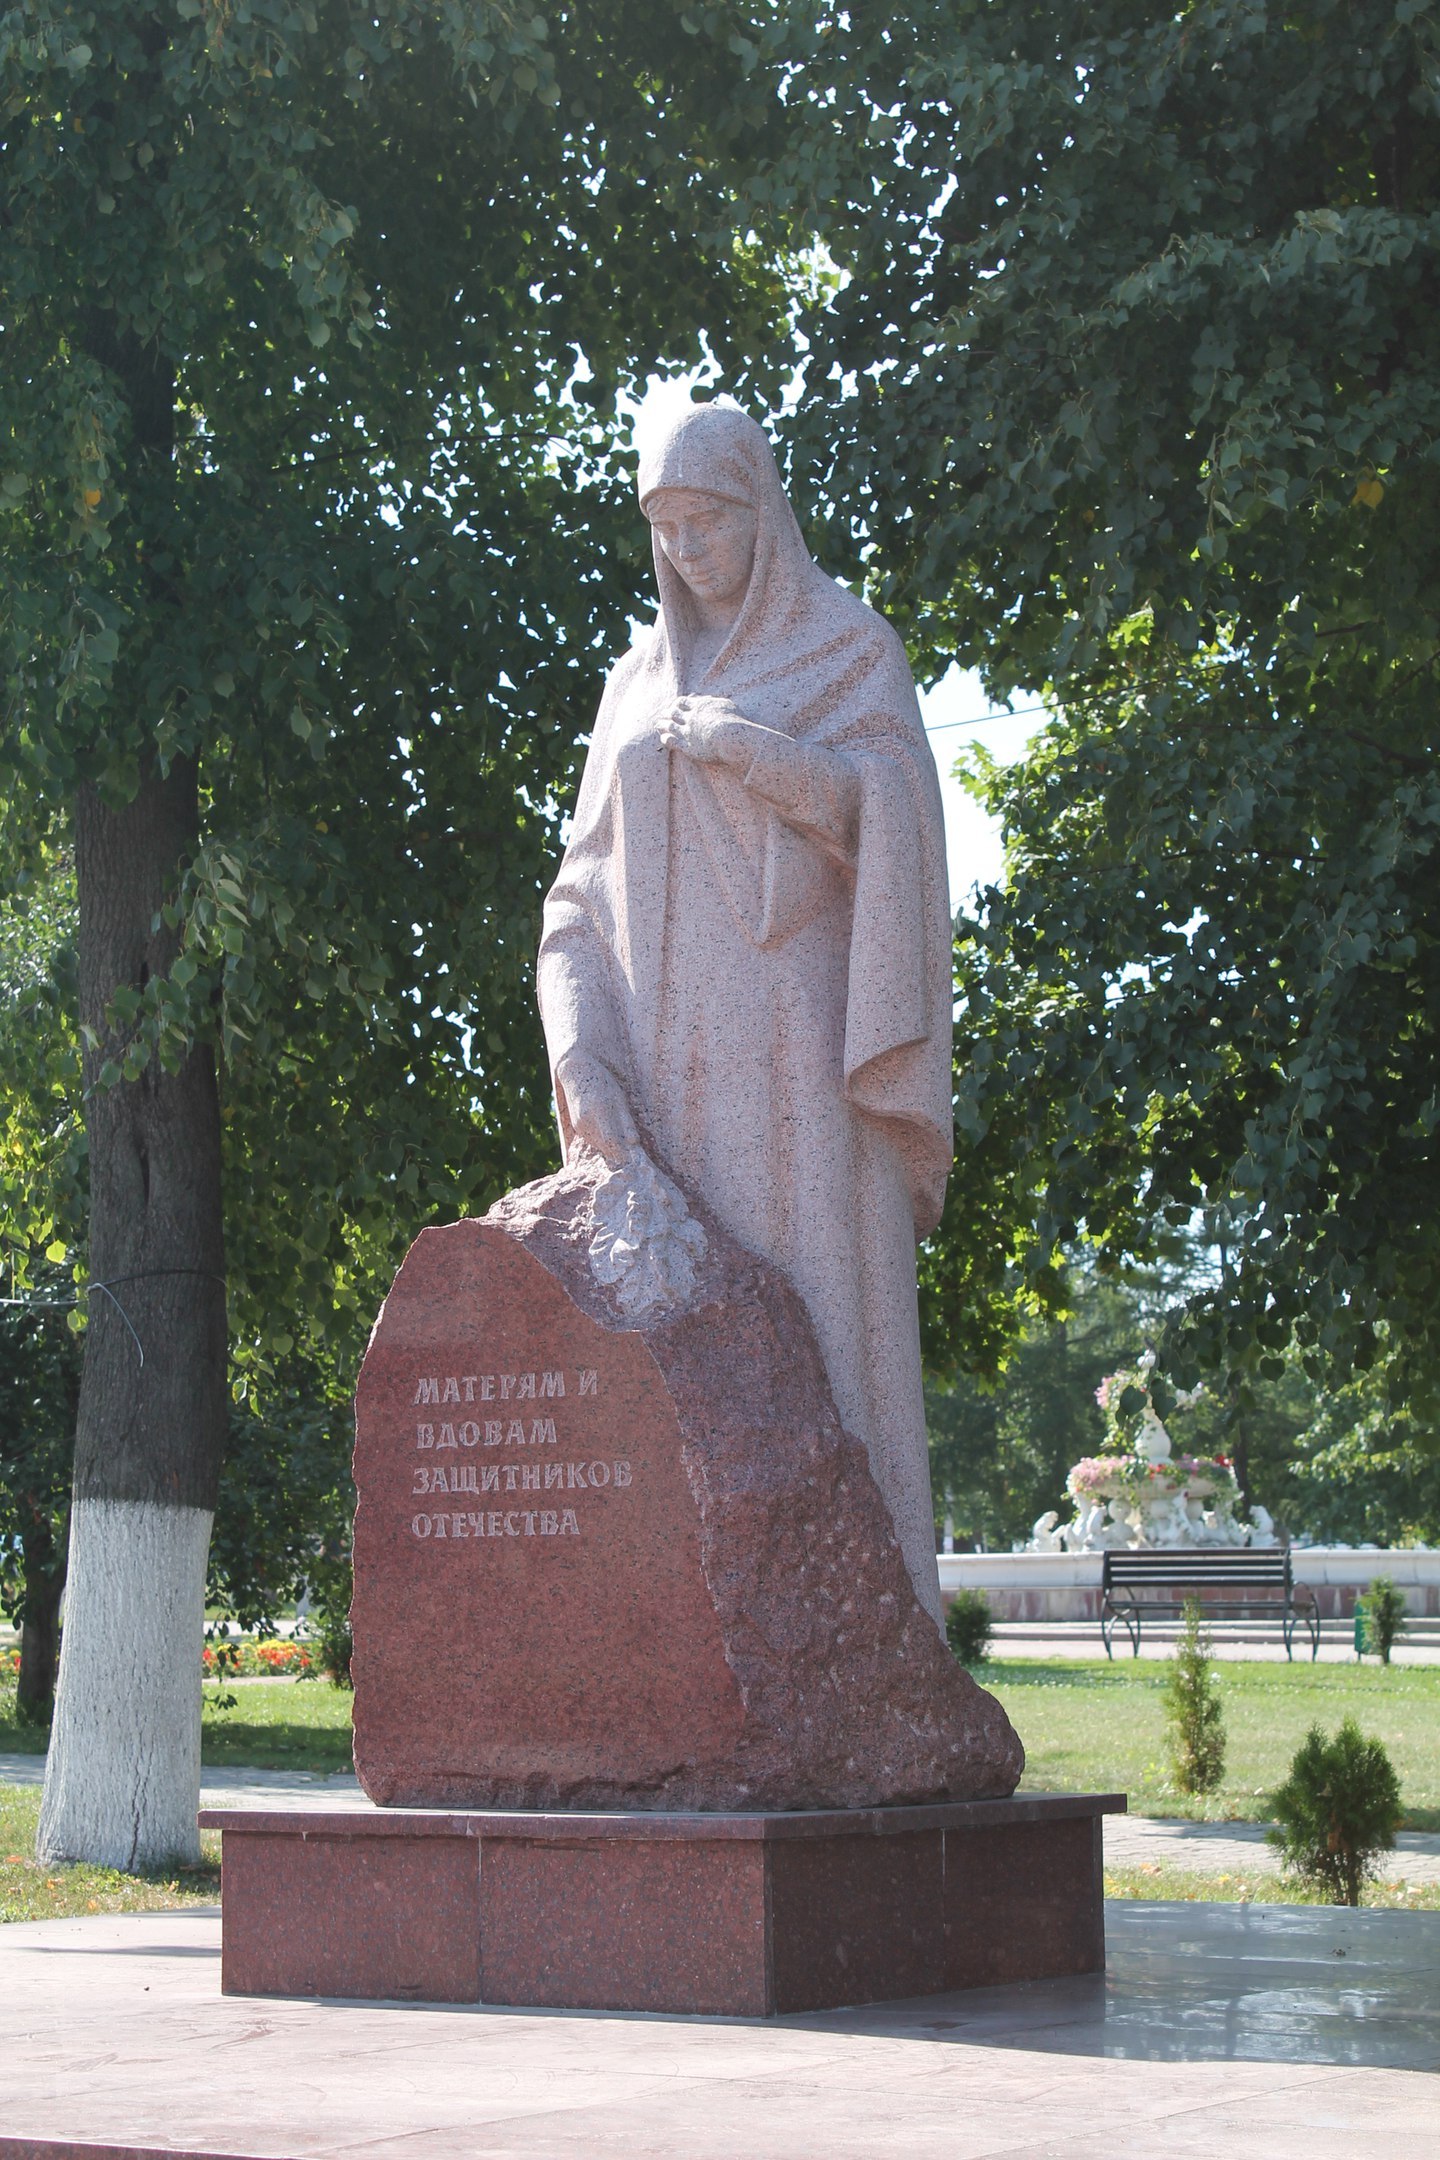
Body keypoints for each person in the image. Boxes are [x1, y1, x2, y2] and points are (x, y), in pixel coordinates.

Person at [537, 398, 953, 1623]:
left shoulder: (848, 650)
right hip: (664, 1081)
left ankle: (859, 1653)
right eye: (663, 525)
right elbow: (576, 893)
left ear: (762, 509)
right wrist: (578, 1046)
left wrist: (761, 754)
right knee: (677, 1378)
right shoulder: (630, 683)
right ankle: (695, 1669)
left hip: (800, 1066)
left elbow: (903, 832)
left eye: (708, 518)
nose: (687, 549)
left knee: (825, 1341)